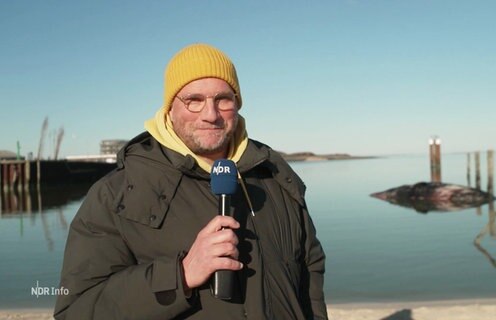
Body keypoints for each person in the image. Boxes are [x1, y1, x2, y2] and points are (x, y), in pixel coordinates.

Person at [54, 43, 328, 320]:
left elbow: (311, 271)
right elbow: (75, 310)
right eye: (194, 100)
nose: (210, 114)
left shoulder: (274, 176)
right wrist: (181, 275)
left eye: (223, 99)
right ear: (170, 109)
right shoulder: (116, 194)